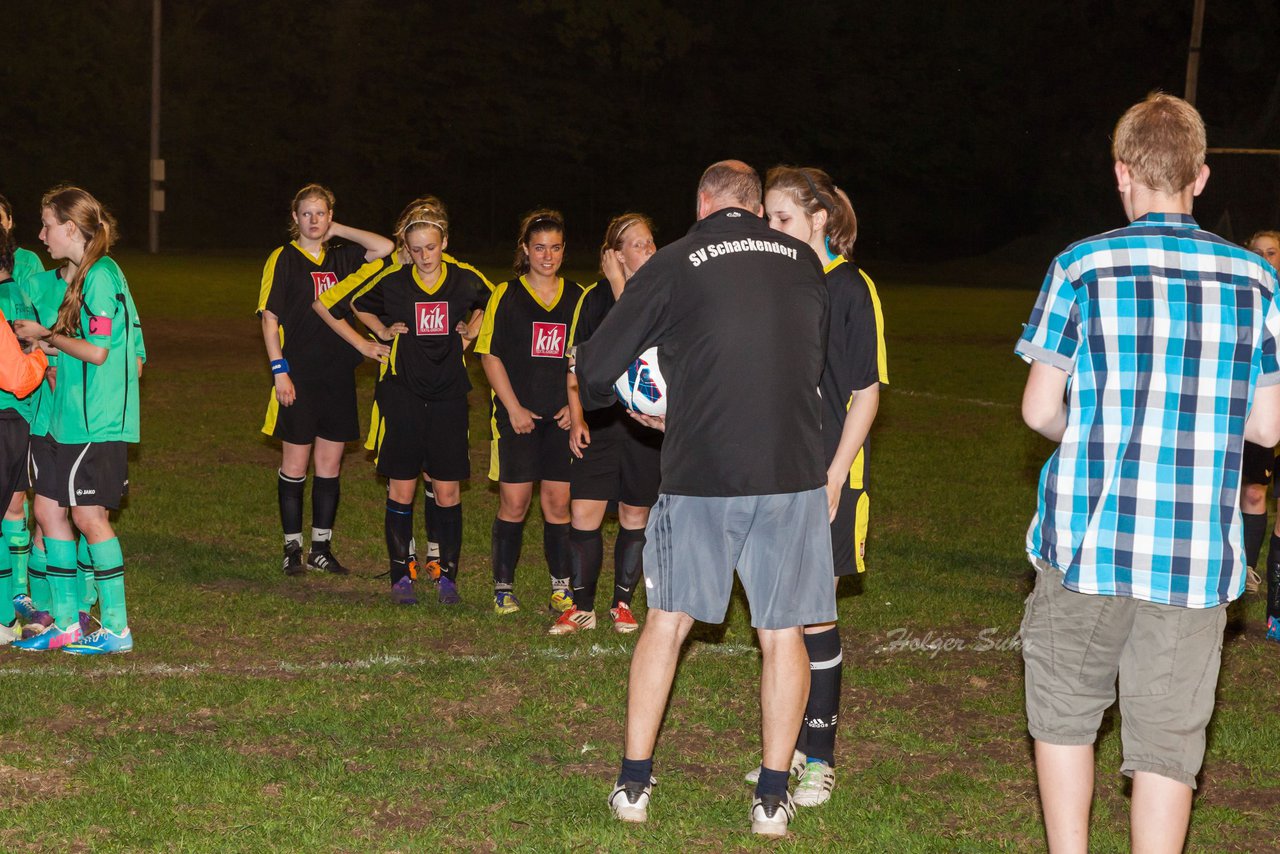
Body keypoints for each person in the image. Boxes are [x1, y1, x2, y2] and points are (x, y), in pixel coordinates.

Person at [1017, 93, 1280, 853]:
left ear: (1122, 173)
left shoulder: (1081, 264)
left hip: (1088, 544)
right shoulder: (1257, 280)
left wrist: (1094, 434)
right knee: (1168, 743)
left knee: (1066, 714)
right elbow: (1266, 426)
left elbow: (1039, 411)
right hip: (1193, 554)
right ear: (1199, 177)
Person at [574, 160, 832, 837]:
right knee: (783, 632)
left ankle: (634, 785)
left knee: (668, 621)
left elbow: (597, 366)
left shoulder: (680, 259)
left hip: (704, 470)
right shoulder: (806, 261)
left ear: (704, 204)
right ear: (752, 206)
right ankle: (773, 799)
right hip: (793, 469)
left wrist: (644, 405)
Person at [757, 165, 887, 805]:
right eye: (767, 221)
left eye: (781, 220)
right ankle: (780, 755)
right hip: (779, 473)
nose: (771, 231)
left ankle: (819, 757)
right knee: (781, 618)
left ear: (819, 220)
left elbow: (865, 394)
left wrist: (835, 476)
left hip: (829, 478)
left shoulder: (852, 290)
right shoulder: (788, 283)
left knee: (814, 617)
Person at [313, 198, 489, 605]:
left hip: (448, 396)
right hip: (403, 394)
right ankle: (401, 575)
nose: (425, 255)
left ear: (443, 241)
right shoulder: (392, 281)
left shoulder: (463, 278)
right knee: (402, 487)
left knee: (446, 490)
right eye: (416, 248)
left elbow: (491, 300)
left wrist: (471, 332)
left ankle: (447, 576)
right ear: (406, 247)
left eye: (431, 246)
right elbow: (348, 304)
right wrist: (378, 335)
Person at [11, 186, 146, 653]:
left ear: (71, 228)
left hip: (96, 422)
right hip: (64, 420)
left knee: (89, 516)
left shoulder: (103, 276)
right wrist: (44, 347)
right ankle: (67, 622)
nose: (42, 233)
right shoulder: (76, 277)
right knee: (47, 510)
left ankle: (117, 628)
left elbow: (98, 351)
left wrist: (47, 334)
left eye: (48, 224)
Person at [257, 184, 393, 577]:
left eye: (321, 214)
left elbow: (384, 248)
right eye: (307, 214)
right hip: (298, 374)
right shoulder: (283, 258)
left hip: (337, 374)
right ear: (294, 218)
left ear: (330, 217)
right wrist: (280, 371)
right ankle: (291, 548)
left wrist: (339, 230)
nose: (314, 221)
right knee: (296, 464)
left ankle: (321, 547)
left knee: (330, 465)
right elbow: (270, 319)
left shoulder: (344, 256)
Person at [550, 214, 662, 636]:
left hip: (644, 425)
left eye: (650, 242)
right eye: (637, 244)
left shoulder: (661, 295)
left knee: (636, 511)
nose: (648, 250)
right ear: (614, 255)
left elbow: (645, 345)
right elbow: (575, 362)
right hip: (600, 420)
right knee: (585, 511)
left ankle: (622, 604)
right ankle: (581, 606)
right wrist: (576, 416)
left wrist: (624, 287)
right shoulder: (593, 298)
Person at [475, 210, 582, 616]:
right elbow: (489, 354)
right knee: (515, 503)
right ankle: (503, 587)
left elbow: (587, 359)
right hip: (516, 418)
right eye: (539, 248)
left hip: (561, 419)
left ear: (563, 250)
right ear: (526, 250)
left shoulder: (578, 296)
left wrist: (576, 406)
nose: (548, 256)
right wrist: (514, 407)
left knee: (558, 504)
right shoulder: (506, 294)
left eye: (555, 247)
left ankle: (561, 586)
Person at [0, 226, 53, 645]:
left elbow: (17, 374)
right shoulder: (15, 294)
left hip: (9, 417)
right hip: (16, 419)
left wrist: (34, 356)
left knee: (9, 514)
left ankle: (6, 613)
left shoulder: (10, 296)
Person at [1243, 231, 1280, 635]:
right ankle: (1244, 577)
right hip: (1259, 410)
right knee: (1253, 493)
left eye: (1272, 253)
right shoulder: (1246, 295)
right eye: (1259, 253)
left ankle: (1277, 612)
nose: (1266, 259)